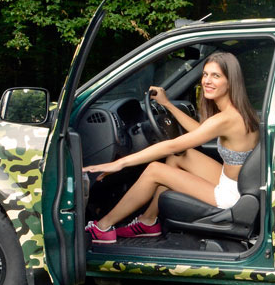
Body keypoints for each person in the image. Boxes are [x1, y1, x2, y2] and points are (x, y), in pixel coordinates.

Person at [83, 51, 259, 244]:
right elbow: (200, 131)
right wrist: (167, 104)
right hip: (237, 183)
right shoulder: (237, 112)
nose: (207, 81)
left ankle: (103, 227)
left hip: (231, 195)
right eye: (205, 74)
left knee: (154, 170)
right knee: (180, 155)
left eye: (216, 76)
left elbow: (172, 145)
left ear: (230, 81)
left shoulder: (226, 119)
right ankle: (148, 221)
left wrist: (120, 163)